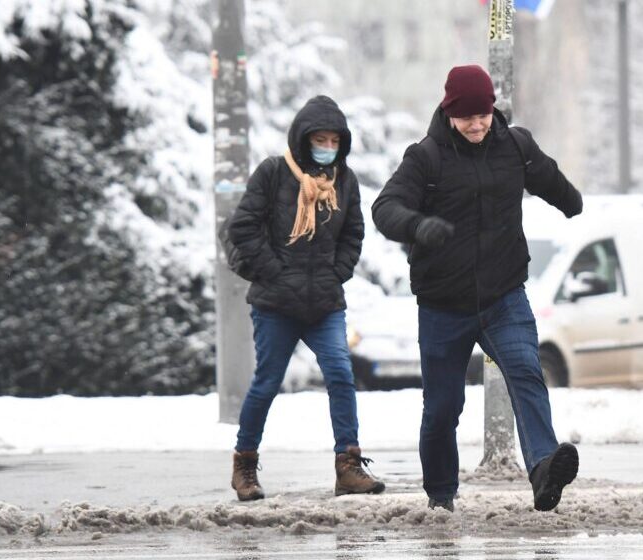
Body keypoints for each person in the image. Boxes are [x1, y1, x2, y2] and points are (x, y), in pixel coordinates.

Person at [371, 65, 583, 512]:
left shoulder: (515, 146)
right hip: (443, 305)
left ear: (492, 109)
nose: (476, 124)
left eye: (482, 114)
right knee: (443, 408)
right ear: (449, 112)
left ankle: (544, 468)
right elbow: (384, 207)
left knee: (526, 371)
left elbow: (544, 175)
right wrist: (416, 224)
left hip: (503, 295)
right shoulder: (425, 157)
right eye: (466, 117)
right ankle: (441, 495)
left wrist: (569, 199)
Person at [227, 95, 384, 501]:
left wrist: (337, 273)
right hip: (276, 304)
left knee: (340, 374)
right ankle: (244, 464)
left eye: (335, 140)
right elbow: (242, 227)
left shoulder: (344, 181)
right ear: (302, 138)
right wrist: (275, 272)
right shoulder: (274, 173)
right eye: (320, 139)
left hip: (324, 304)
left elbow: (353, 234)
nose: (327, 147)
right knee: (267, 382)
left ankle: (348, 465)